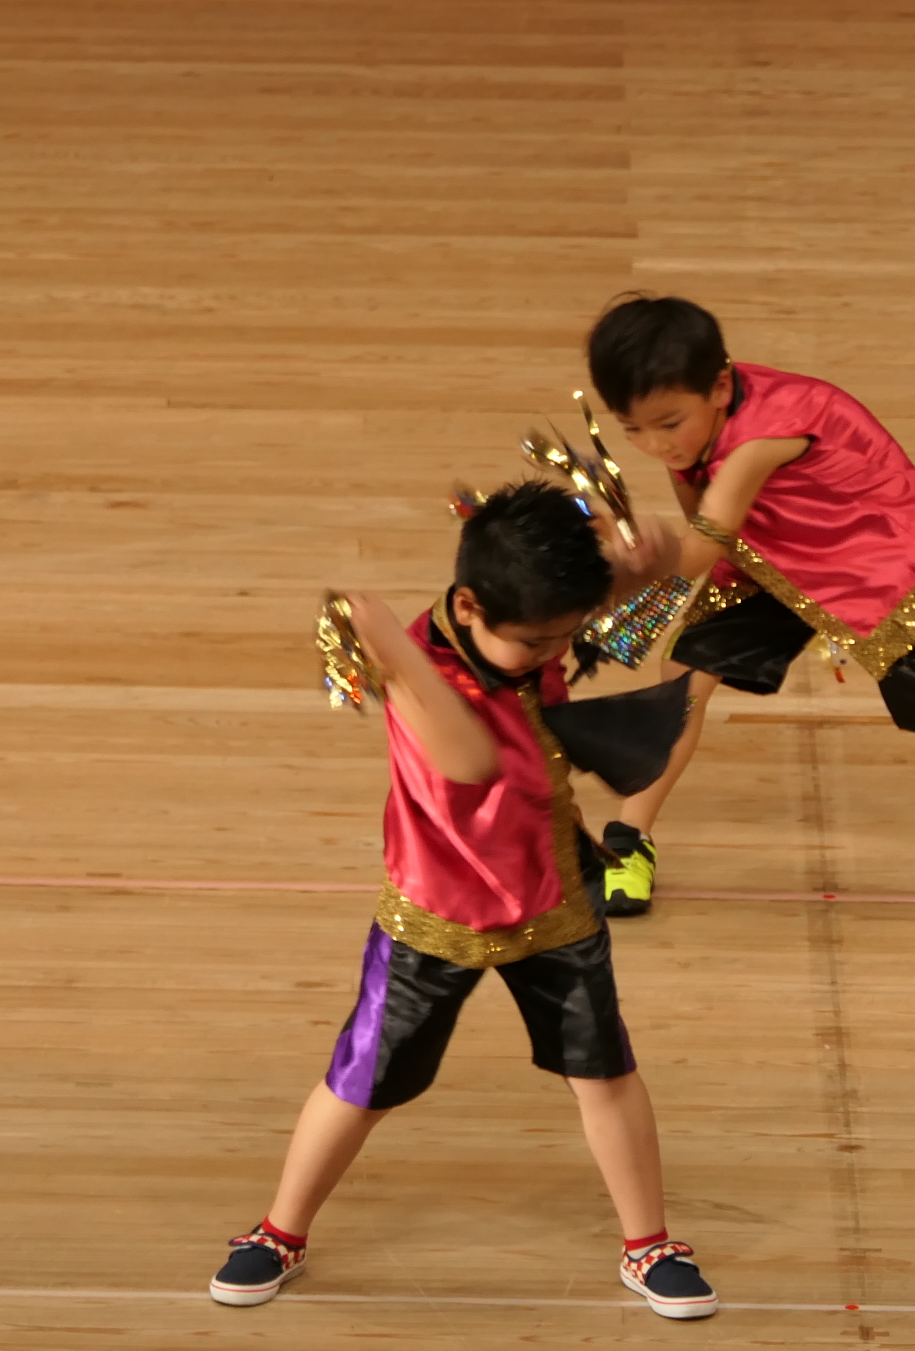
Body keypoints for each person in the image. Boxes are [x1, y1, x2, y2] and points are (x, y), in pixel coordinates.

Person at [209, 483, 717, 1321]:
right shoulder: (417, 665)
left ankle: (649, 1245)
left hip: (554, 897)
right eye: (539, 643)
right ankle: (279, 1231)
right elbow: (470, 759)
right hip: (432, 914)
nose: (555, 652)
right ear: (471, 605)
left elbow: (641, 572)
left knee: (605, 1073)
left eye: (564, 634)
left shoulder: (527, 613)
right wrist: (383, 645)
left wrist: (644, 557)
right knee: (360, 1082)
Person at [584, 294, 915, 923]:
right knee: (681, 682)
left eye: (666, 424)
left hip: (875, 564)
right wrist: (635, 550)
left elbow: (692, 551)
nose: (654, 444)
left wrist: (631, 556)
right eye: (632, 430)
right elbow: (703, 524)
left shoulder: (763, 437)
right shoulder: (691, 425)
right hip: (769, 552)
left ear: (720, 387)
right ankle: (630, 838)